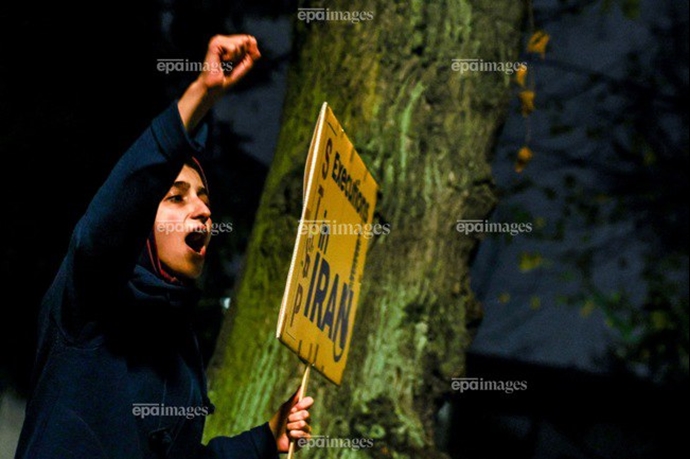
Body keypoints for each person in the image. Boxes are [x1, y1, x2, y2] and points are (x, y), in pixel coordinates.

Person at [15, 34, 313, 459]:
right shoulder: (88, 303)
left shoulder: (182, 353)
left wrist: (267, 436)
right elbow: (114, 214)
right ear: (139, 222)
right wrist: (201, 95)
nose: (203, 211)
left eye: (204, 198)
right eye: (176, 196)